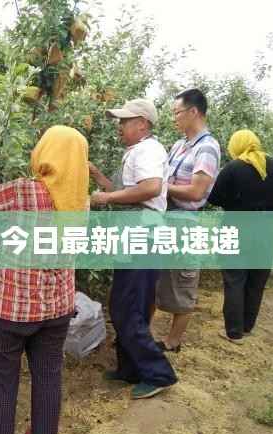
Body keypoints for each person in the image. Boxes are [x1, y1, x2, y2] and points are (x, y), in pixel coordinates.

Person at [0, 126, 89, 434]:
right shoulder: (80, 200)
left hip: (10, 308)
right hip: (57, 309)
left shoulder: (25, 190)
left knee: (2, 381)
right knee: (49, 374)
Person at [90, 98, 178, 400]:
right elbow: (126, 191)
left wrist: (105, 199)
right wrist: (97, 176)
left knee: (126, 306)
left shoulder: (148, 150)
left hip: (143, 234)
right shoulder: (136, 151)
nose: (119, 126)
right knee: (129, 304)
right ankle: (130, 368)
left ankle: (159, 373)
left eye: (125, 121)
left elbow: (150, 187)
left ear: (142, 123)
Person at [154, 88, 220, 352]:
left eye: (177, 113)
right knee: (156, 278)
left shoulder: (207, 148)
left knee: (183, 283)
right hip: (166, 218)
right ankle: (145, 333)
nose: (174, 118)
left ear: (194, 112)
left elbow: (195, 192)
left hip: (185, 222)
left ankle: (173, 342)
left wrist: (159, 188)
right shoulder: (179, 145)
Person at [208, 129, 273, 344]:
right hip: (265, 230)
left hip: (236, 228)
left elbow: (214, 198)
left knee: (234, 278)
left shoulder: (233, 168)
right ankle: (247, 326)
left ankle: (234, 332)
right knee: (256, 278)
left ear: (236, 145)